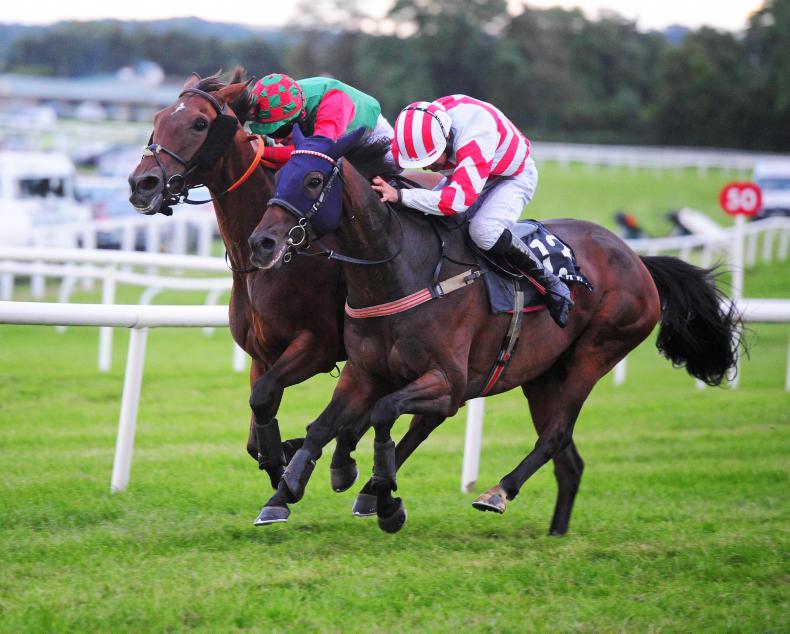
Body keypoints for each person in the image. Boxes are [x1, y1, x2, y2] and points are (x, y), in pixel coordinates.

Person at [371, 96, 572, 328]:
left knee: (483, 231)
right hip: (468, 172)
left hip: (511, 176)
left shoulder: (476, 134)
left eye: (432, 159)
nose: (427, 166)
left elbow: (456, 201)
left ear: (447, 138)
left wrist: (401, 196)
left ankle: (550, 282)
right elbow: (391, 161)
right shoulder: (417, 130)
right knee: (425, 220)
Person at [246, 73, 394, 168]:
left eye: (280, 131)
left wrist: (261, 152)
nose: (277, 140)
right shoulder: (280, 97)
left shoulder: (334, 104)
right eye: (270, 133)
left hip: (378, 144)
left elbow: (314, 154)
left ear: (302, 114)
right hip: (329, 138)